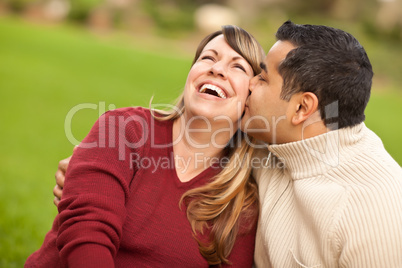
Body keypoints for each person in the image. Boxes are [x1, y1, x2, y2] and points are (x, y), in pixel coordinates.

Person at [53, 21, 402, 267]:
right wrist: (89, 177)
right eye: (207, 58)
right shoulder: (272, 150)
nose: (221, 72)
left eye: (257, 77)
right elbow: (89, 219)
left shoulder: (376, 213)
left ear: (301, 108)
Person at [26, 25, 265, 267]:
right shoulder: (124, 129)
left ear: (251, 98)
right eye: (207, 58)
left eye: (237, 66)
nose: (216, 69)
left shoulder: (241, 203)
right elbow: (86, 233)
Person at [240, 21, 402, 267]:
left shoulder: (377, 212)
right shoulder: (270, 142)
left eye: (263, 78)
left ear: (302, 107)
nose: (249, 83)